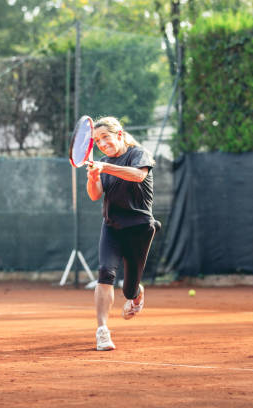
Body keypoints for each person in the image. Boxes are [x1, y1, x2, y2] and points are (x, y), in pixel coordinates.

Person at [86, 116, 160, 351]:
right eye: (97, 141)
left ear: (119, 134)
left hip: (139, 228)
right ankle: (102, 331)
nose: (101, 143)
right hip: (112, 226)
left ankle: (136, 294)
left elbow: (138, 175)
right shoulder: (103, 163)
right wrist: (93, 177)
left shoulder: (139, 154)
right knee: (105, 272)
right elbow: (95, 194)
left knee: (128, 289)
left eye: (104, 137)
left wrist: (104, 166)